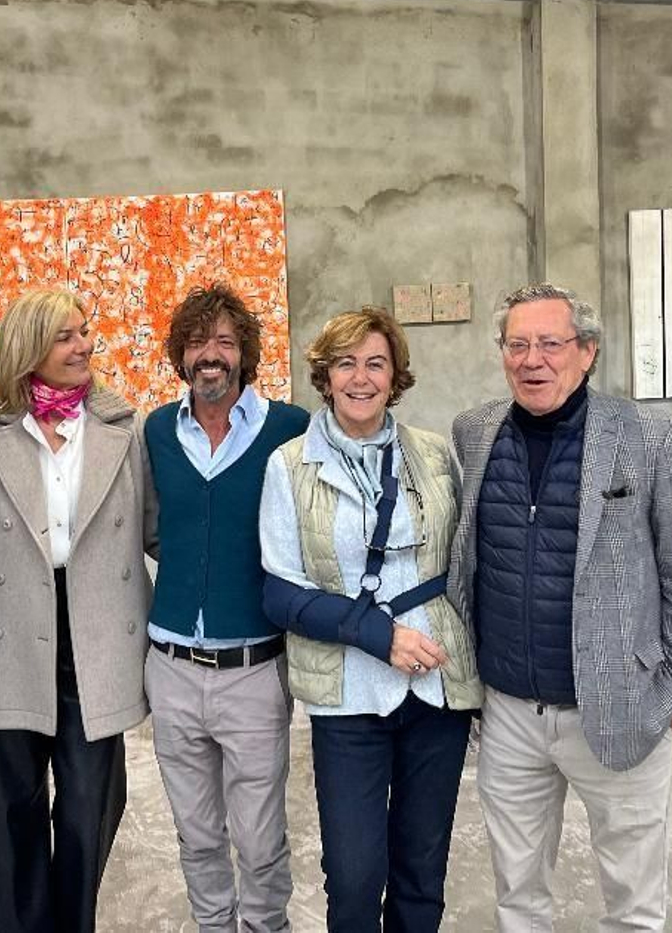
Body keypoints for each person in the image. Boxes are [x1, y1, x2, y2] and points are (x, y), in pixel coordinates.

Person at [447, 282, 672, 931]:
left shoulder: (652, 438)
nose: (531, 360)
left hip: (619, 703)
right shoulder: (476, 431)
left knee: (633, 902)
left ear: (587, 352)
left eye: (550, 343)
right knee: (518, 894)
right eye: (517, 344)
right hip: (510, 712)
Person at [258, 306, 481, 933]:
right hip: (347, 695)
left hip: (437, 688)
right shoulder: (289, 465)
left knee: (421, 869)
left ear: (395, 375)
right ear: (324, 377)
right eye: (345, 363)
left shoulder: (434, 455)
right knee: (355, 876)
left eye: (375, 363)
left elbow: (464, 566)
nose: (361, 378)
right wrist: (380, 636)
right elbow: (280, 593)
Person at [0, 288, 157, 933]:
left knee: (86, 809)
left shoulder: (123, 430)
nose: (85, 345)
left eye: (86, 330)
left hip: (96, 634)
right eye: (67, 335)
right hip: (10, 637)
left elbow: (158, 532)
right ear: (28, 349)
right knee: (10, 809)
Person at [143, 283, 310, 933]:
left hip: (254, 671)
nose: (209, 354)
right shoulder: (157, 429)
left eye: (224, 341)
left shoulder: (290, 428)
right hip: (173, 669)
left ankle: (266, 927)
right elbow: (156, 527)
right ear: (180, 355)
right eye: (197, 341)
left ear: (245, 352)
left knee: (261, 839)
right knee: (197, 835)